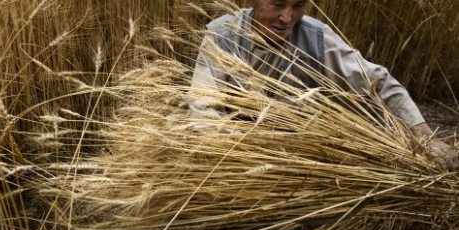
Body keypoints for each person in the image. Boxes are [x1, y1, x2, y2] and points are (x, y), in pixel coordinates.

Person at [190, 0, 459, 170]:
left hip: (300, 153)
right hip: (235, 154)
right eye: (278, 4)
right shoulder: (222, 35)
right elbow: (202, 107)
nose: (287, 18)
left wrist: (424, 135)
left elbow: (377, 82)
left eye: (297, 6)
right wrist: (240, 153)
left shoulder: (315, 36)